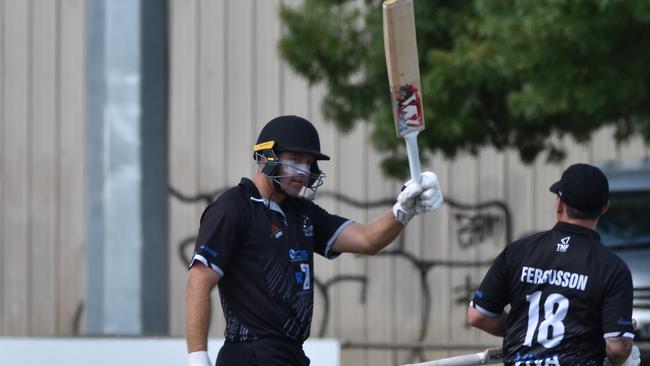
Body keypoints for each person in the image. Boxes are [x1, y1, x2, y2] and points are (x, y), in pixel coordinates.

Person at [185, 115, 444, 366]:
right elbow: (198, 281)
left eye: (309, 163)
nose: (304, 171)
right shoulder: (234, 207)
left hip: (291, 354)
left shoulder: (302, 212)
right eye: (295, 160)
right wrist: (197, 358)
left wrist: (403, 211)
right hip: (250, 354)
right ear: (266, 158)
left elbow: (367, 240)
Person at [467, 163, 639, 366]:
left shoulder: (518, 252)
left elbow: (478, 316)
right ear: (604, 208)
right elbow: (617, 348)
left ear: (559, 204)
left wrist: (527, 329)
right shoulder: (612, 268)